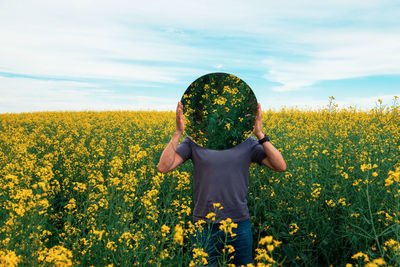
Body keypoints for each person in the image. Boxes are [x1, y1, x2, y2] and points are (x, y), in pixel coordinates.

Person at [157, 101, 286, 266]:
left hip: (239, 223)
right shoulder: (194, 141)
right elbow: (163, 167)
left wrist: (260, 134)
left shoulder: (246, 142)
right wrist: (178, 133)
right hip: (204, 225)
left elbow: (280, 166)